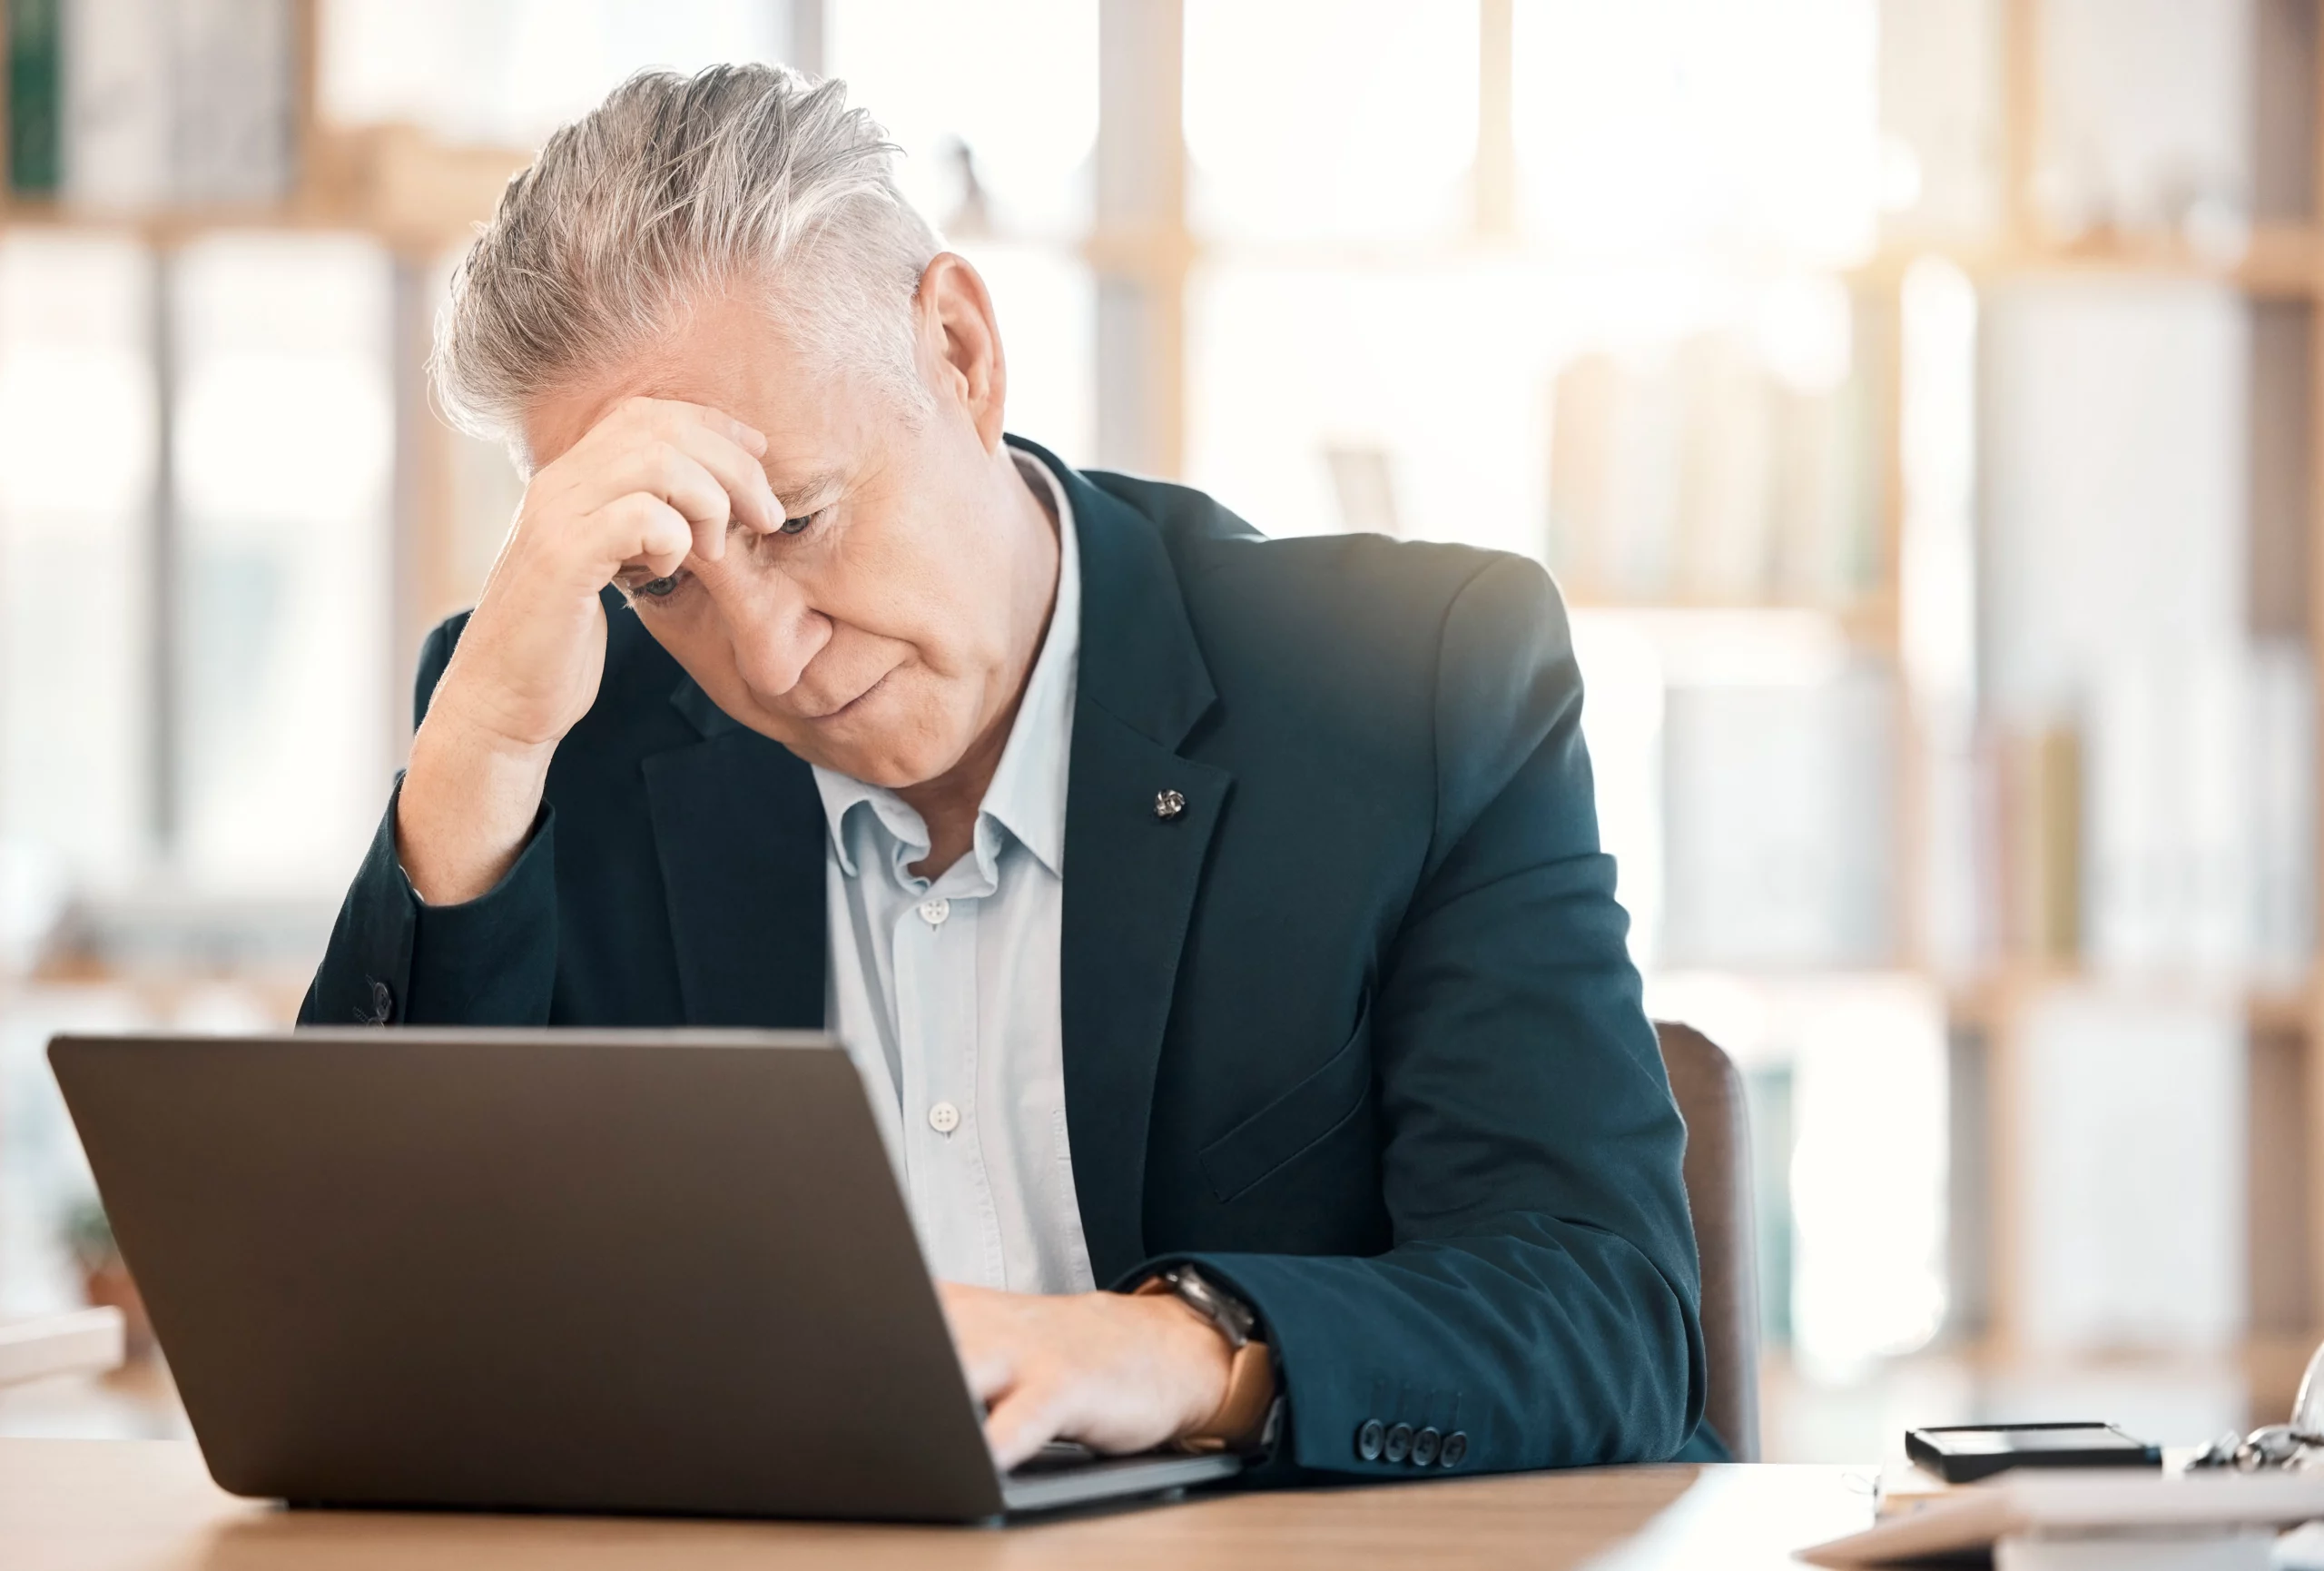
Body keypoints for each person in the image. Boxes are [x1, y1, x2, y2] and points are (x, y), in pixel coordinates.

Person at [304, 64, 1708, 1479]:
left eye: (795, 520)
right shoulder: (555, 726)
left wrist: (1181, 1350)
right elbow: (341, 1346)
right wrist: (475, 755)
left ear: (961, 353)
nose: (770, 655)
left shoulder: (1414, 682)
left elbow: (1606, 1313)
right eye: (664, 578)